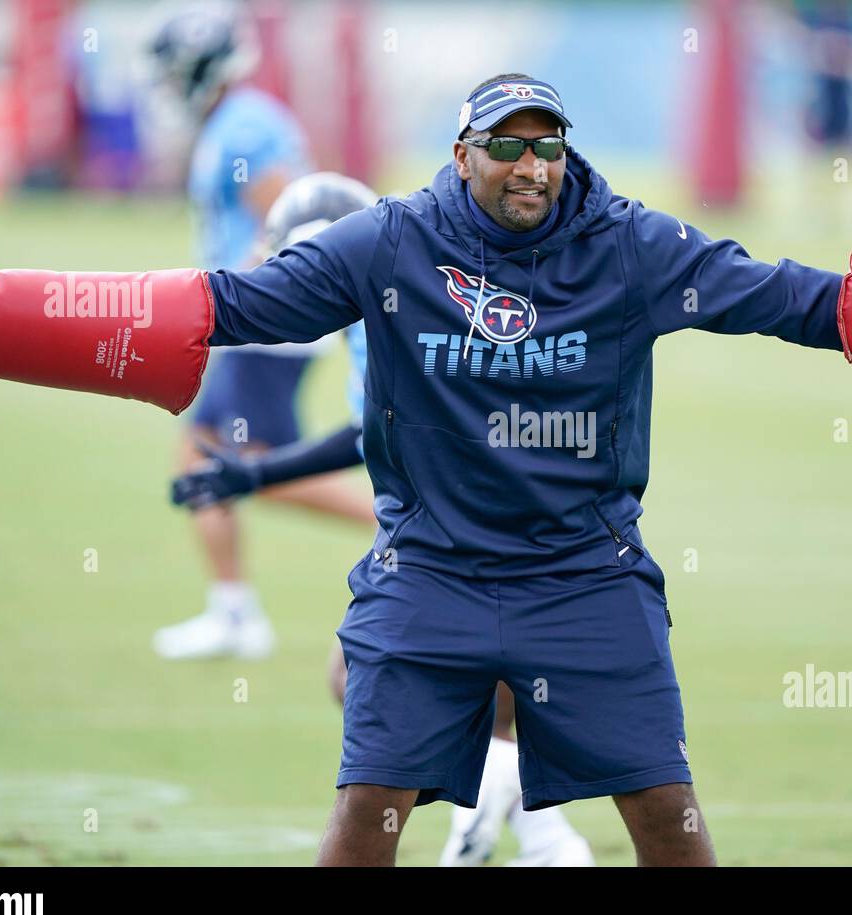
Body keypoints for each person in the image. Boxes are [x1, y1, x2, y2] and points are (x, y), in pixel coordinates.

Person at [0, 74, 852, 866]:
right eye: (509, 149)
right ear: (463, 153)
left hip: (585, 576)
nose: (532, 169)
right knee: (364, 812)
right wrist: (14, 315)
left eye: (548, 149)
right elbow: (226, 304)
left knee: (666, 812)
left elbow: (796, 299)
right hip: (428, 571)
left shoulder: (634, 247)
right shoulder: (387, 240)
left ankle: (531, 821)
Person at [171, 171, 594, 866]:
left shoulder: (392, 317)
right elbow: (375, 428)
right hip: (506, 525)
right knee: (453, 693)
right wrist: (255, 473)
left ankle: (514, 815)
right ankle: (540, 835)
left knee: (376, 686)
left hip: (487, 536)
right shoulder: (392, 305)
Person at [143, 3, 372, 661]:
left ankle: (403, 524)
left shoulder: (245, 126)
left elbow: (290, 226)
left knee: (247, 464)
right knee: (205, 456)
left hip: (269, 321)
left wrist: (228, 304)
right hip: (257, 319)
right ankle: (233, 609)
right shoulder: (233, 121)